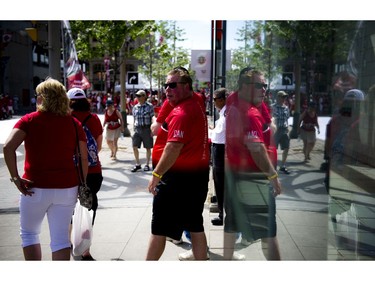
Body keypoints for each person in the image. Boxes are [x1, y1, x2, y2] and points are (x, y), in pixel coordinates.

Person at [2, 78, 88, 260]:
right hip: (67, 188)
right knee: (61, 240)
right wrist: (82, 185)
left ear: (42, 98)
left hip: (34, 188)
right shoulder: (73, 123)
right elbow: (84, 158)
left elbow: (8, 147)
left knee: (29, 234)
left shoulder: (29, 120)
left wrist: (16, 178)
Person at [145, 67, 210, 261]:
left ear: (187, 86)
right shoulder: (197, 100)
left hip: (176, 180)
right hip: (196, 176)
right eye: (166, 85)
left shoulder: (180, 113)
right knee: (195, 226)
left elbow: (172, 148)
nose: (167, 89)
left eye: (173, 85)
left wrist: (156, 175)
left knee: (158, 229)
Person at [224, 68, 282, 261]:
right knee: (268, 234)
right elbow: (256, 149)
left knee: (231, 225)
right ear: (243, 86)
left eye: (265, 85)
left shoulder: (236, 101)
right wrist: (273, 177)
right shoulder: (250, 113)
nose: (263, 89)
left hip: (236, 175)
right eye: (258, 85)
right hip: (254, 179)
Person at [67, 87, 104, 261]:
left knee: (68, 207)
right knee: (88, 209)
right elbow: (98, 147)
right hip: (93, 171)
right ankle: (85, 249)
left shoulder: (66, 119)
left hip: (71, 171)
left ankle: (68, 240)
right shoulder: (94, 118)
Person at [209, 87, 228, 226]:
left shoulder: (227, 113)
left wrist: (211, 132)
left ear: (222, 99)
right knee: (219, 183)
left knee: (221, 184)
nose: (213, 102)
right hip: (220, 149)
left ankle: (224, 215)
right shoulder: (224, 112)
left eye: (215, 99)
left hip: (221, 150)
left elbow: (220, 135)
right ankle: (223, 213)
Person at [130, 90, 155, 172]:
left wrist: (152, 129)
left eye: (139, 96)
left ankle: (147, 164)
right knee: (134, 146)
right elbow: (134, 118)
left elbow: (152, 117)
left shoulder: (149, 106)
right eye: (137, 96)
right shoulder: (135, 107)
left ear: (144, 96)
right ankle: (138, 164)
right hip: (137, 129)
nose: (137, 97)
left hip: (146, 128)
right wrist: (133, 128)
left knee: (148, 147)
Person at [272, 90, 291, 174]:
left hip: (284, 130)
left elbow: (287, 118)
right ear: (278, 97)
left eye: (285, 97)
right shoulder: (273, 107)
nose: (284, 98)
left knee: (286, 148)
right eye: (282, 97)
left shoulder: (286, 107)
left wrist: (287, 128)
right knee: (273, 149)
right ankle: (273, 166)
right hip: (276, 130)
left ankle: (282, 166)